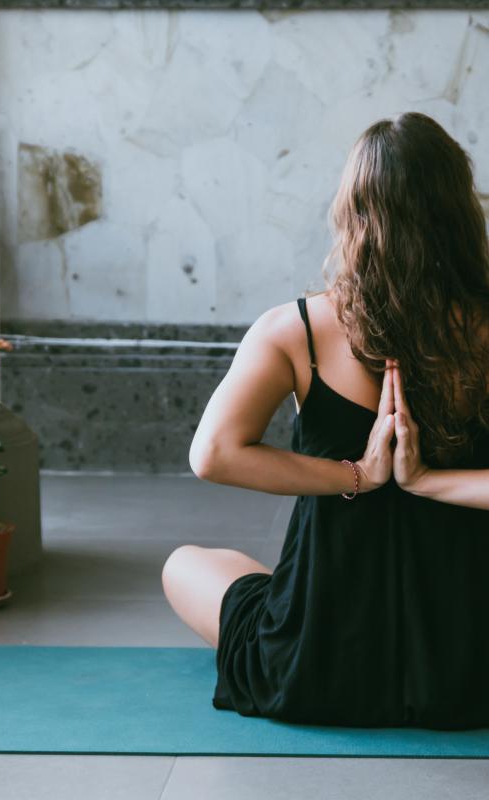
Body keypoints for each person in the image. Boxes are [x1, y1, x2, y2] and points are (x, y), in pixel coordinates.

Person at [161, 111, 489, 729]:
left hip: (318, 660)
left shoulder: (295, 330)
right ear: (459, 210)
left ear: (353, 213)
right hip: (471, 665)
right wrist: (427, 481)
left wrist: (360, 475)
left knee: (184, 563)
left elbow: (212, 454)